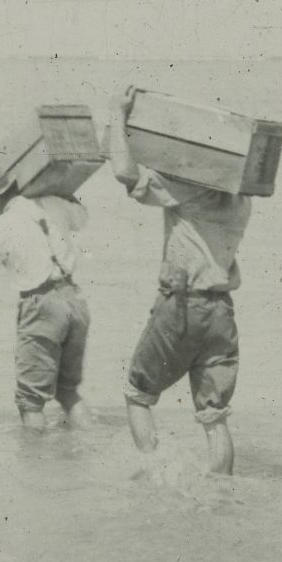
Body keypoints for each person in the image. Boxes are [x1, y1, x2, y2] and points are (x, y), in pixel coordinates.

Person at [105, 85, 250, 474]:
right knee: (214, 416)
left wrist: (117, 115)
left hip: (182, 305)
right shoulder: (241, 199)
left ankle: (155, 477)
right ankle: (222, 496)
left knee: (137, 394)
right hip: (222, 312)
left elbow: (123, 171)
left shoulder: (186, 189)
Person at [0, 182, 90, 430]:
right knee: (68, 391)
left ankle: (33, 464)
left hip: (42, 306)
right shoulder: (51, 201)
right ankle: (88, 446)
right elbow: (82, 218)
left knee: (30, 402)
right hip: (75, 299)